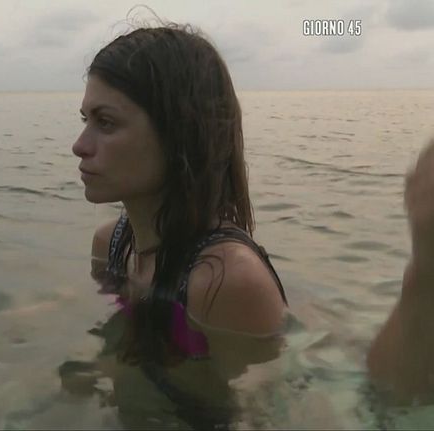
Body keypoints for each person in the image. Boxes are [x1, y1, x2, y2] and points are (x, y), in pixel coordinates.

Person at [71, 20, 434, 406]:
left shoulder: (223, 281)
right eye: (85, 120)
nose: (79, 145)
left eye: (106, 122)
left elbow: (284, 409)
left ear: (178, 133)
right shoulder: (111, 245)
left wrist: (423, 277)